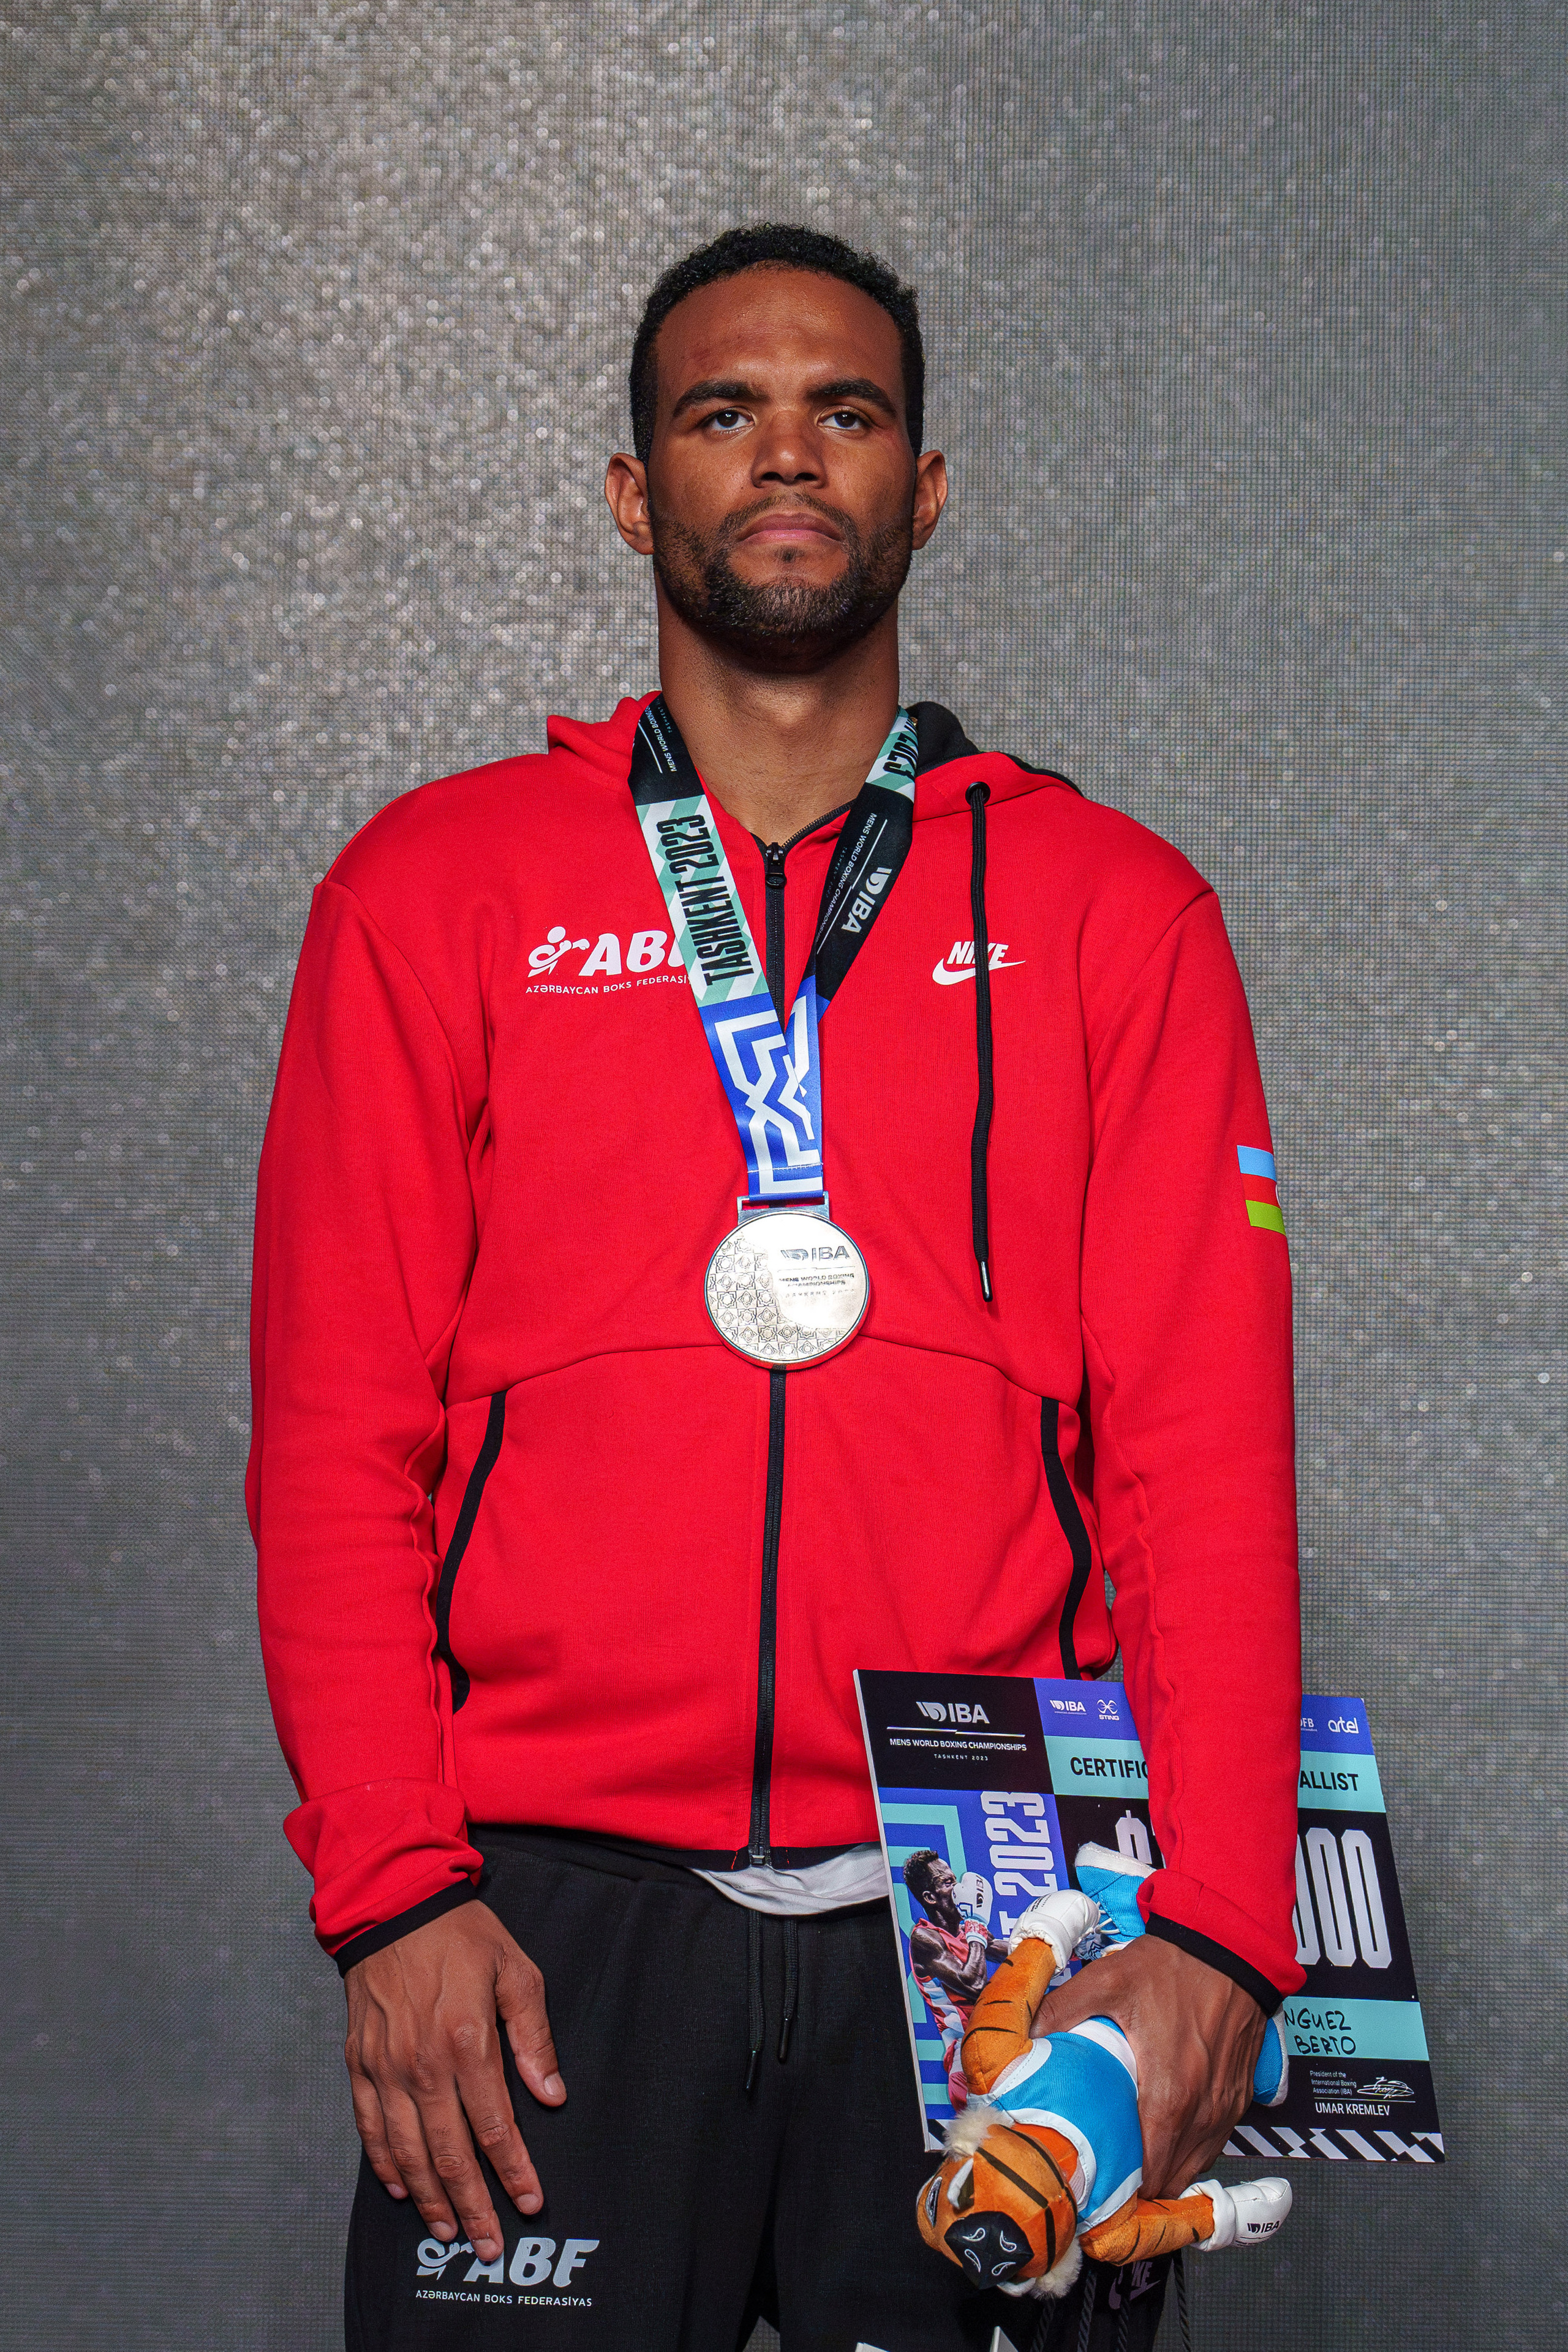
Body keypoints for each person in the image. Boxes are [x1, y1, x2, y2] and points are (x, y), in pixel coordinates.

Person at [249, 223, 1304, 2351]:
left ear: (928, 483)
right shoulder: (434, 890)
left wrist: (1217, 1925)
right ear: (635, 487)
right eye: (723, 412)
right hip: (539, 1918)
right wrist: (394, 1891)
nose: (790, 454)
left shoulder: (1117, 910)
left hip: (1001, 1918)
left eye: (849, 410)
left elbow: (1199, 1462)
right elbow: (337, 1440)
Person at [902, 1853, 1009, 2110]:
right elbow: (973, 1984)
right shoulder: (924, 1939)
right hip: (967, 2060)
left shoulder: (966, 1931)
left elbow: (1008, 1951)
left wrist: (1060, 1944)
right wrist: (976, 1927)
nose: (959, 1889)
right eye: (949, 1883)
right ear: (931, 1897)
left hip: (992, 2044)